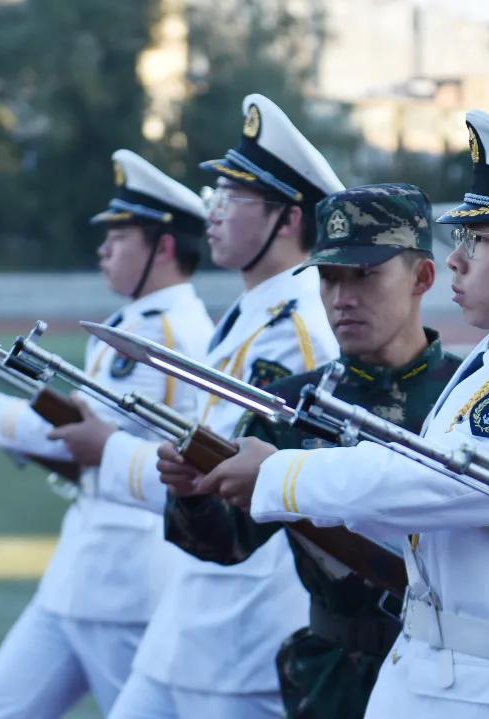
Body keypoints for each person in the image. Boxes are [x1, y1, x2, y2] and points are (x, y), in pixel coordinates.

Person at [189, 109, 489, 717]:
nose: (457, 258)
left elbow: (441, 483)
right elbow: (428, 528)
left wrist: (279, 475)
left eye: (481, 239)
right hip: (447, 682)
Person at [0, 150, 214, 717]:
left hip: (131, 583)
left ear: (166, 246)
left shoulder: (179, 336)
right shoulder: (133, 327)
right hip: (80, 575)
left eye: (121, 236)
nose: (104, 249)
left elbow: (101, 442)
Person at [155, 182, 461, 719]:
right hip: (330, 683)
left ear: (423, 277)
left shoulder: (469, 398)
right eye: (329, 278)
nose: (342, 297)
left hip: (452, 679)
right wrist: (192, 492)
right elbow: (225, 543)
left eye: (365, 275)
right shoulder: (292, 405)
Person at [89, 94, 342, 719]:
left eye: (234, 198)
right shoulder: (254, 311)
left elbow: (235, 479)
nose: (213, 211)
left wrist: (105, 453)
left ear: (286, 220)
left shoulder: (301, 327)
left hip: (245, 633)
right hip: (193, 621)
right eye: (217, 195)